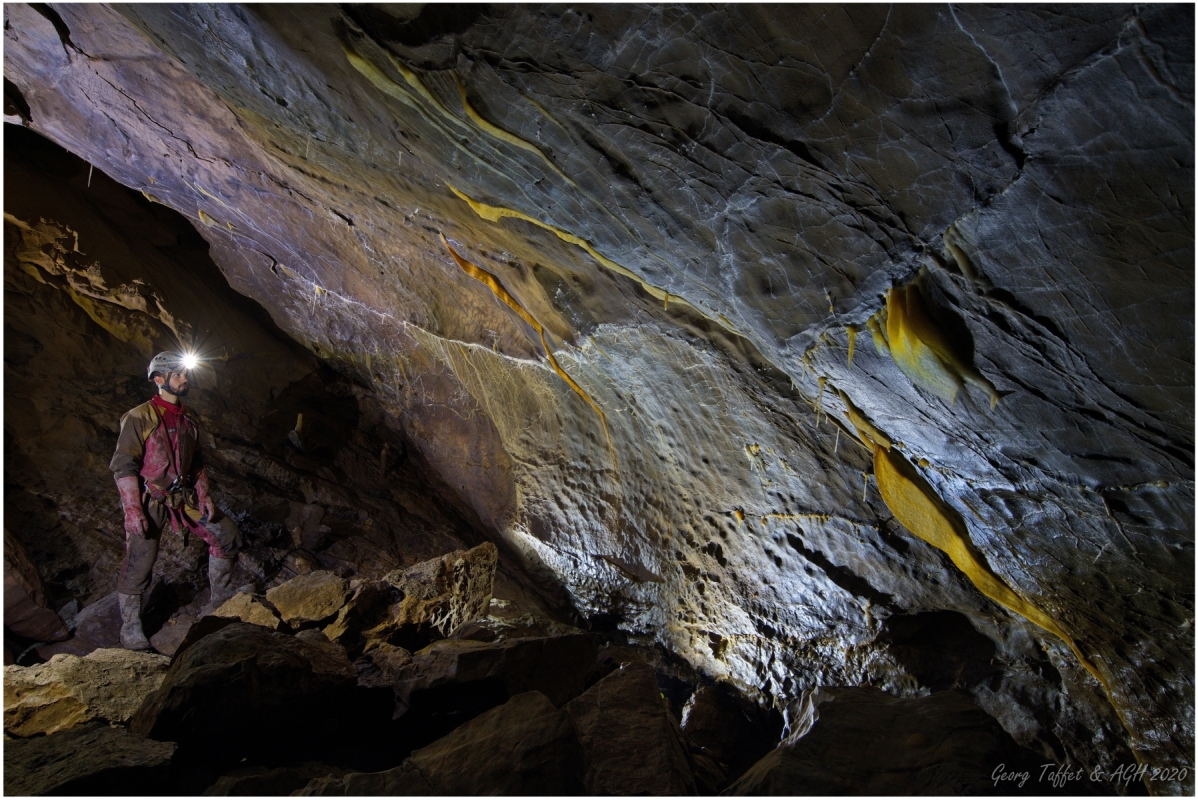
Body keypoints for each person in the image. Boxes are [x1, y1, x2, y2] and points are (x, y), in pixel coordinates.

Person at [109, 351, 242, 650]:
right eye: (178, 374)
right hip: (151, 498)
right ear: (159, 379)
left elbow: (197, 461)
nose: (185, 379)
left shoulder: (187, 419)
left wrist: (204, 493)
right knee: (139, 560)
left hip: (184, 495)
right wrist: (132, 511)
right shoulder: (138, 417)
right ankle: (130, 626)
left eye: (185, 374)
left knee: (227, 533)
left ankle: (219, 599)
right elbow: (124, 466)